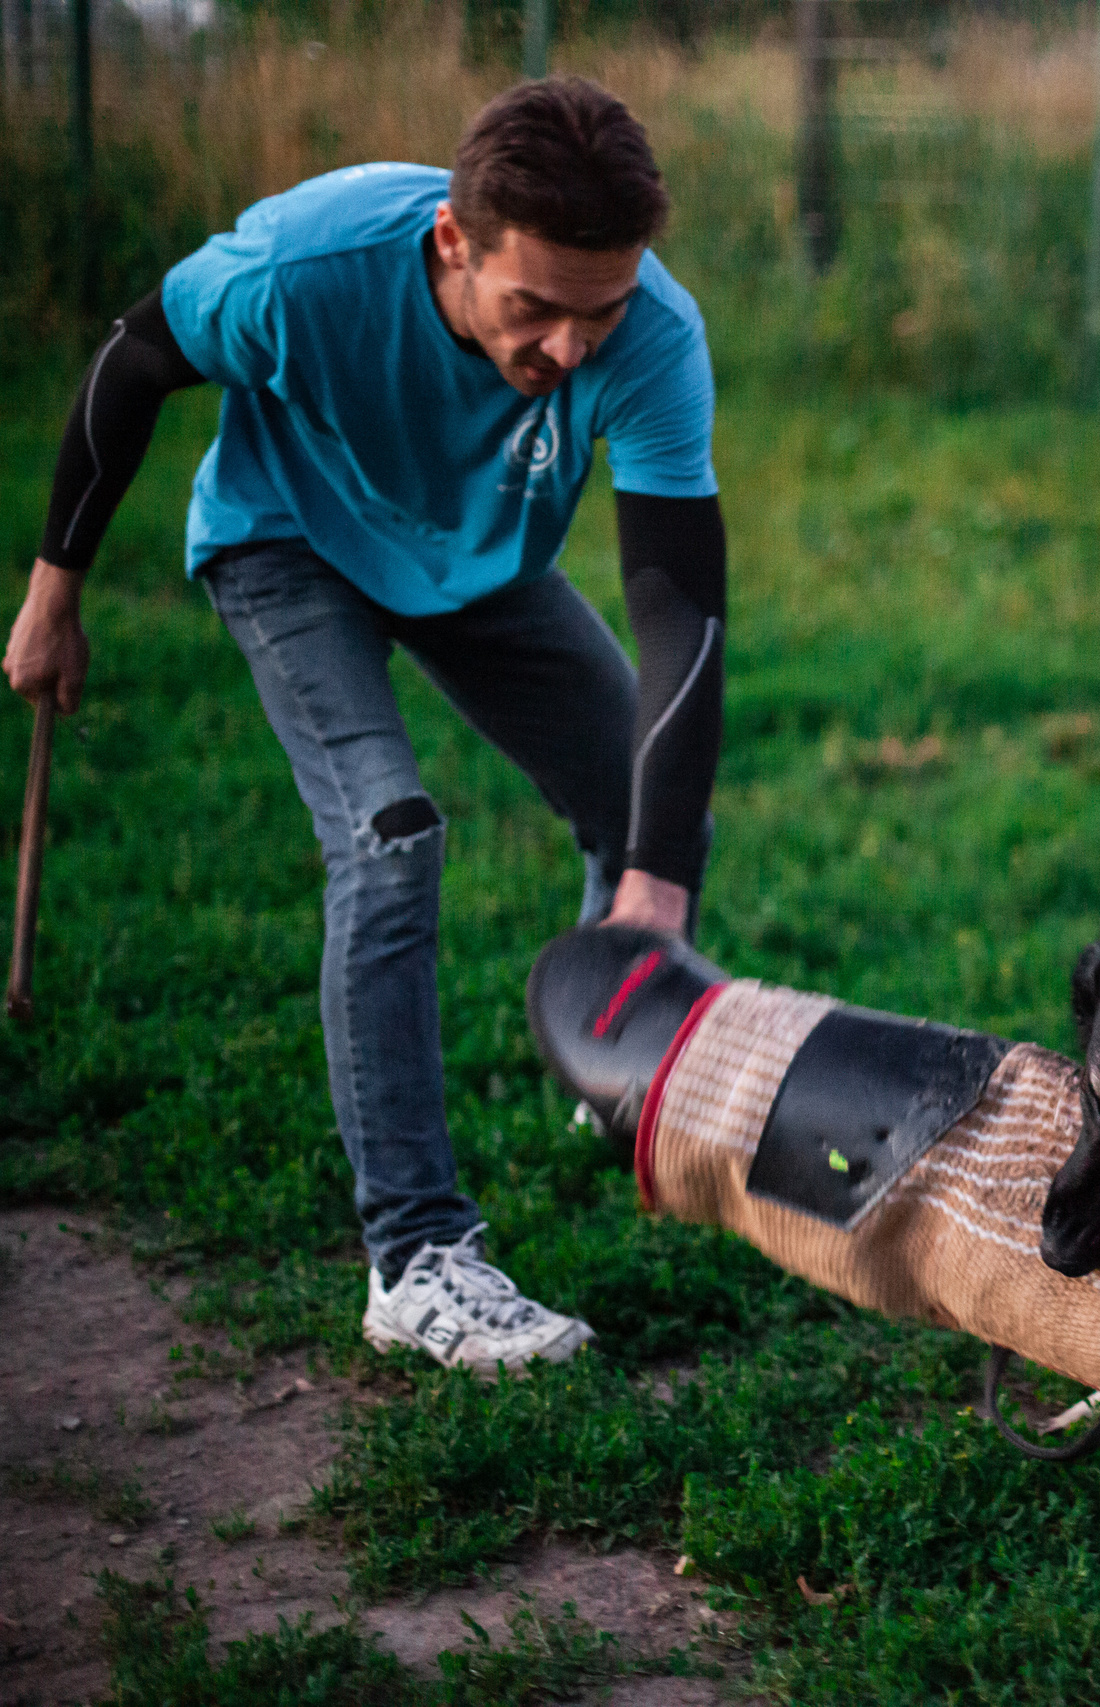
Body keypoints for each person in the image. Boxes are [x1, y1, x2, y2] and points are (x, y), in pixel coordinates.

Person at [4, 78, 729, 1373]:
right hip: (288, 545)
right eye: (536, 308)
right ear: (455, 242)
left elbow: (681, 613)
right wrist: (55, 591)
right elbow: (134, 359)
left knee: (649, 807)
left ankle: (605, 1067)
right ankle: (416, 1256)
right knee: (391, 838)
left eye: (599, 308)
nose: (571, 347)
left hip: (476, 565)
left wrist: (659, 885)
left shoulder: (654, 337)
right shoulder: (305, 264)